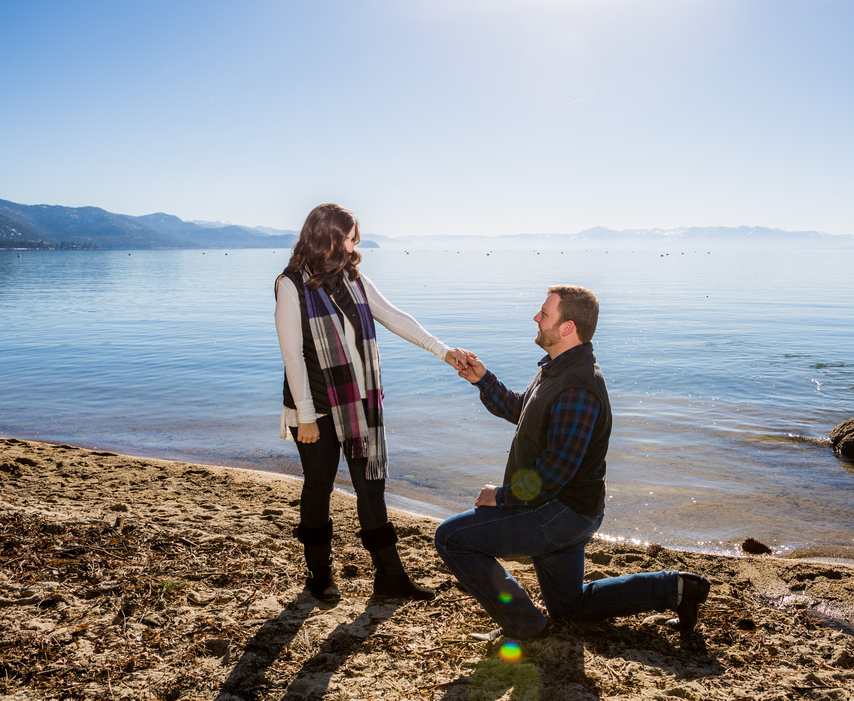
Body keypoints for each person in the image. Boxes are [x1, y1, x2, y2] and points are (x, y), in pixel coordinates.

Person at [434, 285, 710, 642]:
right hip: (564, 509)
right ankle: (676, 589)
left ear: (567, 328)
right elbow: (525, 413)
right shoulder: (558, 368)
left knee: (453, 538)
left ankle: (524, 625)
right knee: (571, 607)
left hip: (561, 513)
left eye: (544, 314)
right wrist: (484, 381)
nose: (536, 317)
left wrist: (500, 497)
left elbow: (555, 472)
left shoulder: (578, 386)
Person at [276, 203, 465, 603]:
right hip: (315, 407)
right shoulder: (290, 283)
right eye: (346, 238)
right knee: (318, 487)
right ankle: (319, 575)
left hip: (358, 404)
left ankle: (390, 577)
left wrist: (444, 352)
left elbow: (395, 317)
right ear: (326, 237)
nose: (351, 245)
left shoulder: (351, 277)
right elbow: (292, 355)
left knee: (371, 487)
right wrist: (307, 418)